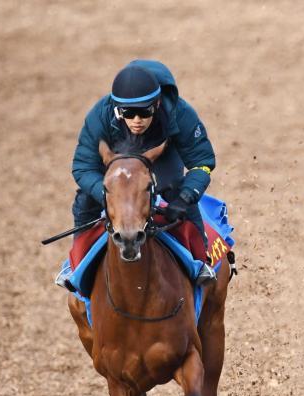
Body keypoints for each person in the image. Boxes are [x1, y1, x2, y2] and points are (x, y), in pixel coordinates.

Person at [69, 60, 217, 285]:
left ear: (157, 104)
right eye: (128, 113)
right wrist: (111, 195)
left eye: (144, 112)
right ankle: (76, 270)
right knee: (85, 201)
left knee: (175, 188)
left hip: (163, 154)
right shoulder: (99, 116)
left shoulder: (181, 113)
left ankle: (201, 262)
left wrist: (186, 197)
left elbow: (202, 163)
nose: (136, 121)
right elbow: (83, 167)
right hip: (116, 160)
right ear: (116, 108)